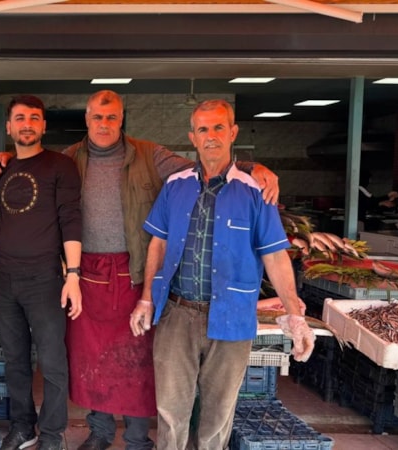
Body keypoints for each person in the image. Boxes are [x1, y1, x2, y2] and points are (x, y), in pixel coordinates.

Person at [0, 90, 279, 450]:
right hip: (88, 273)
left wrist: (252, 169)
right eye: (98, 117)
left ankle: (138, 437)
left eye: (112, 118)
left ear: (122, 120)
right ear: (87, 120)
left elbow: (204, 164)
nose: (104, 124)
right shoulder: (70, 158)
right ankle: (101, 431)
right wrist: (5, 158)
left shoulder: (150, 154)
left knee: (138, 361)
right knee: (91, 356)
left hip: (136, 271)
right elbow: (34, 163)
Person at [130, 99, 315, 450]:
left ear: (233, 132)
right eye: (203, 129)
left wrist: (294, 313)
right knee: (170, 411)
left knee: (218, 415)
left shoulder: (255, 191)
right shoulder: (175, 185)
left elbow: (275, 255)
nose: (211, 136)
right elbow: (158, 242)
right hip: (176, 315)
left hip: (233, 316)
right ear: (192, 137)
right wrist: (146, 299)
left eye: (218, 128)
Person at [0, 94, 83, 450]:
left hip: (45, 279)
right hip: (4, 279)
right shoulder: (4, 169)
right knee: (15, 360)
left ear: (43, 126)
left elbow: (71, 218)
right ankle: (23, 427)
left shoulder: (60, 165)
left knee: (53, 361)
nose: (27, 124)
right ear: (9, 127)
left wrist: (74, 275)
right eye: (20, 118)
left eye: (34, 118)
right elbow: (3, 219)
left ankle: (52, 435)